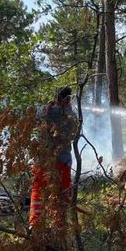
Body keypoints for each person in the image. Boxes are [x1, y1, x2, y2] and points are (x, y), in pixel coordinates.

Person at [29, 86, 78, 226]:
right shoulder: (70, 115)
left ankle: (34, 225)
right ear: (67, 99)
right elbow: (75, 131)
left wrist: (50, 105)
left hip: (41, 160)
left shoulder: (43, 111)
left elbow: (35, 119)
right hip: (62, 161)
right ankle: (59, 227)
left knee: (38, 192)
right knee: (62, 195)